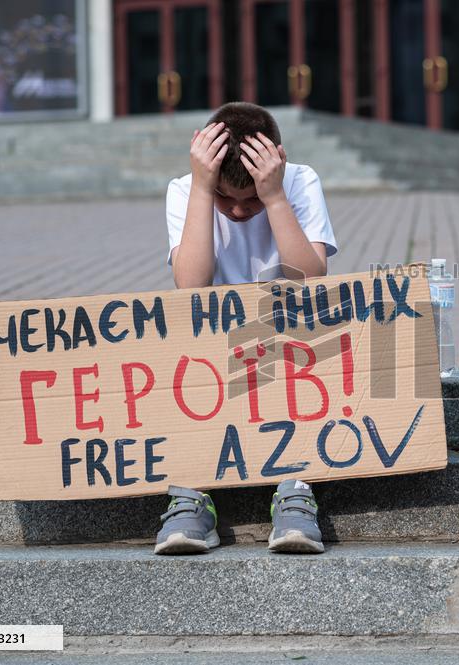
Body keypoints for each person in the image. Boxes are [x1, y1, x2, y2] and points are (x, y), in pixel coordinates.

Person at [156, 101, 338, 555]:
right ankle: (193, 494)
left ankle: (294, 488)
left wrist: (274, 197)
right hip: (212, 348)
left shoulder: (299, 181)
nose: (237, 212)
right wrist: (202, 189)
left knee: (310, 368)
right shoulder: (186, 189)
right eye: (225, 199)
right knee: (178, 373)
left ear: (277, 163)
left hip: (287, 341)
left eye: (250, 200)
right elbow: (191, 285)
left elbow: (308, 279)